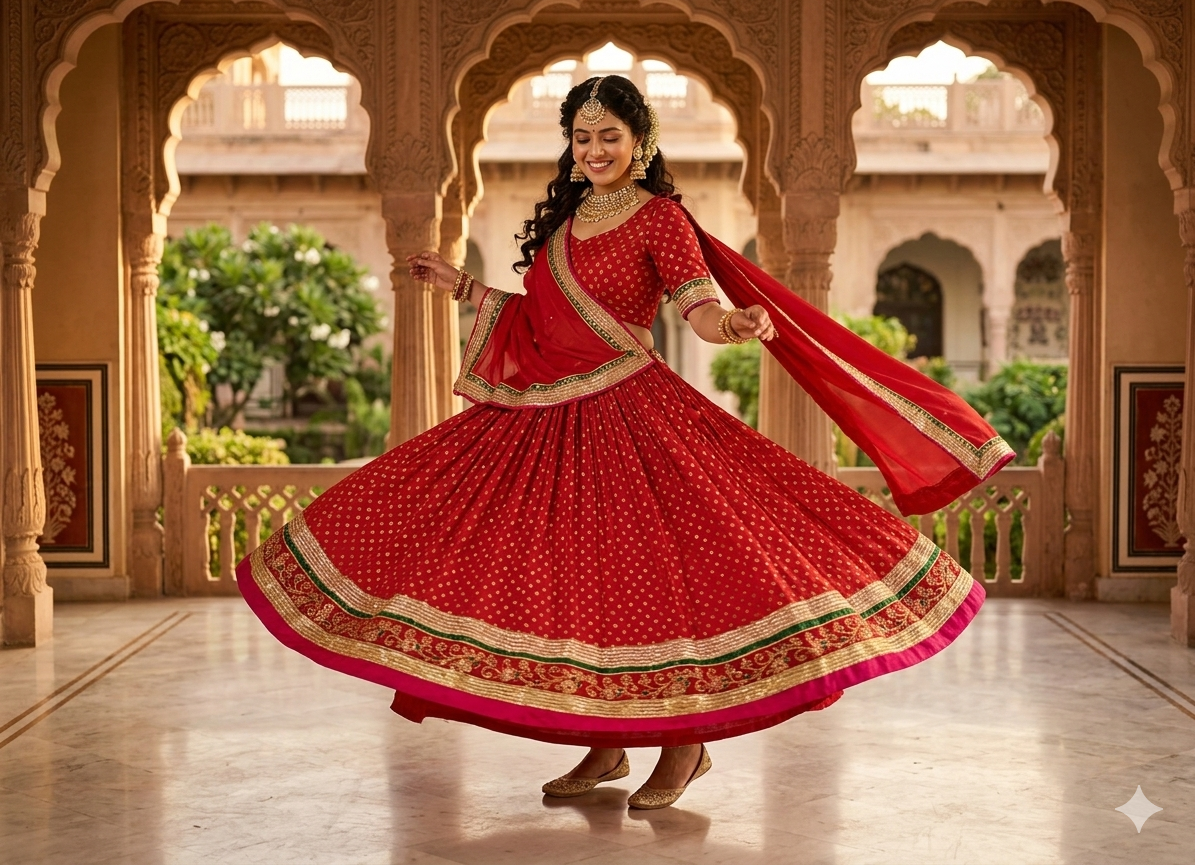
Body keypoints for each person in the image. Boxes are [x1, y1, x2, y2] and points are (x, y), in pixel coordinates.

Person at [238, 75, 1013, 811]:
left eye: (608, 136)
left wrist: (732, 326)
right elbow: (545, 319)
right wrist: (463, 288)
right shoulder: (568, 222)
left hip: (631, 420)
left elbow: (696, 304)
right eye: (581, 138)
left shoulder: (659, 217)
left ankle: (683, 744)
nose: (593, 151)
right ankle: (601, 744)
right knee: (567, 584)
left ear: (640, 140)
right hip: (547, 421)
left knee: (655, 587)